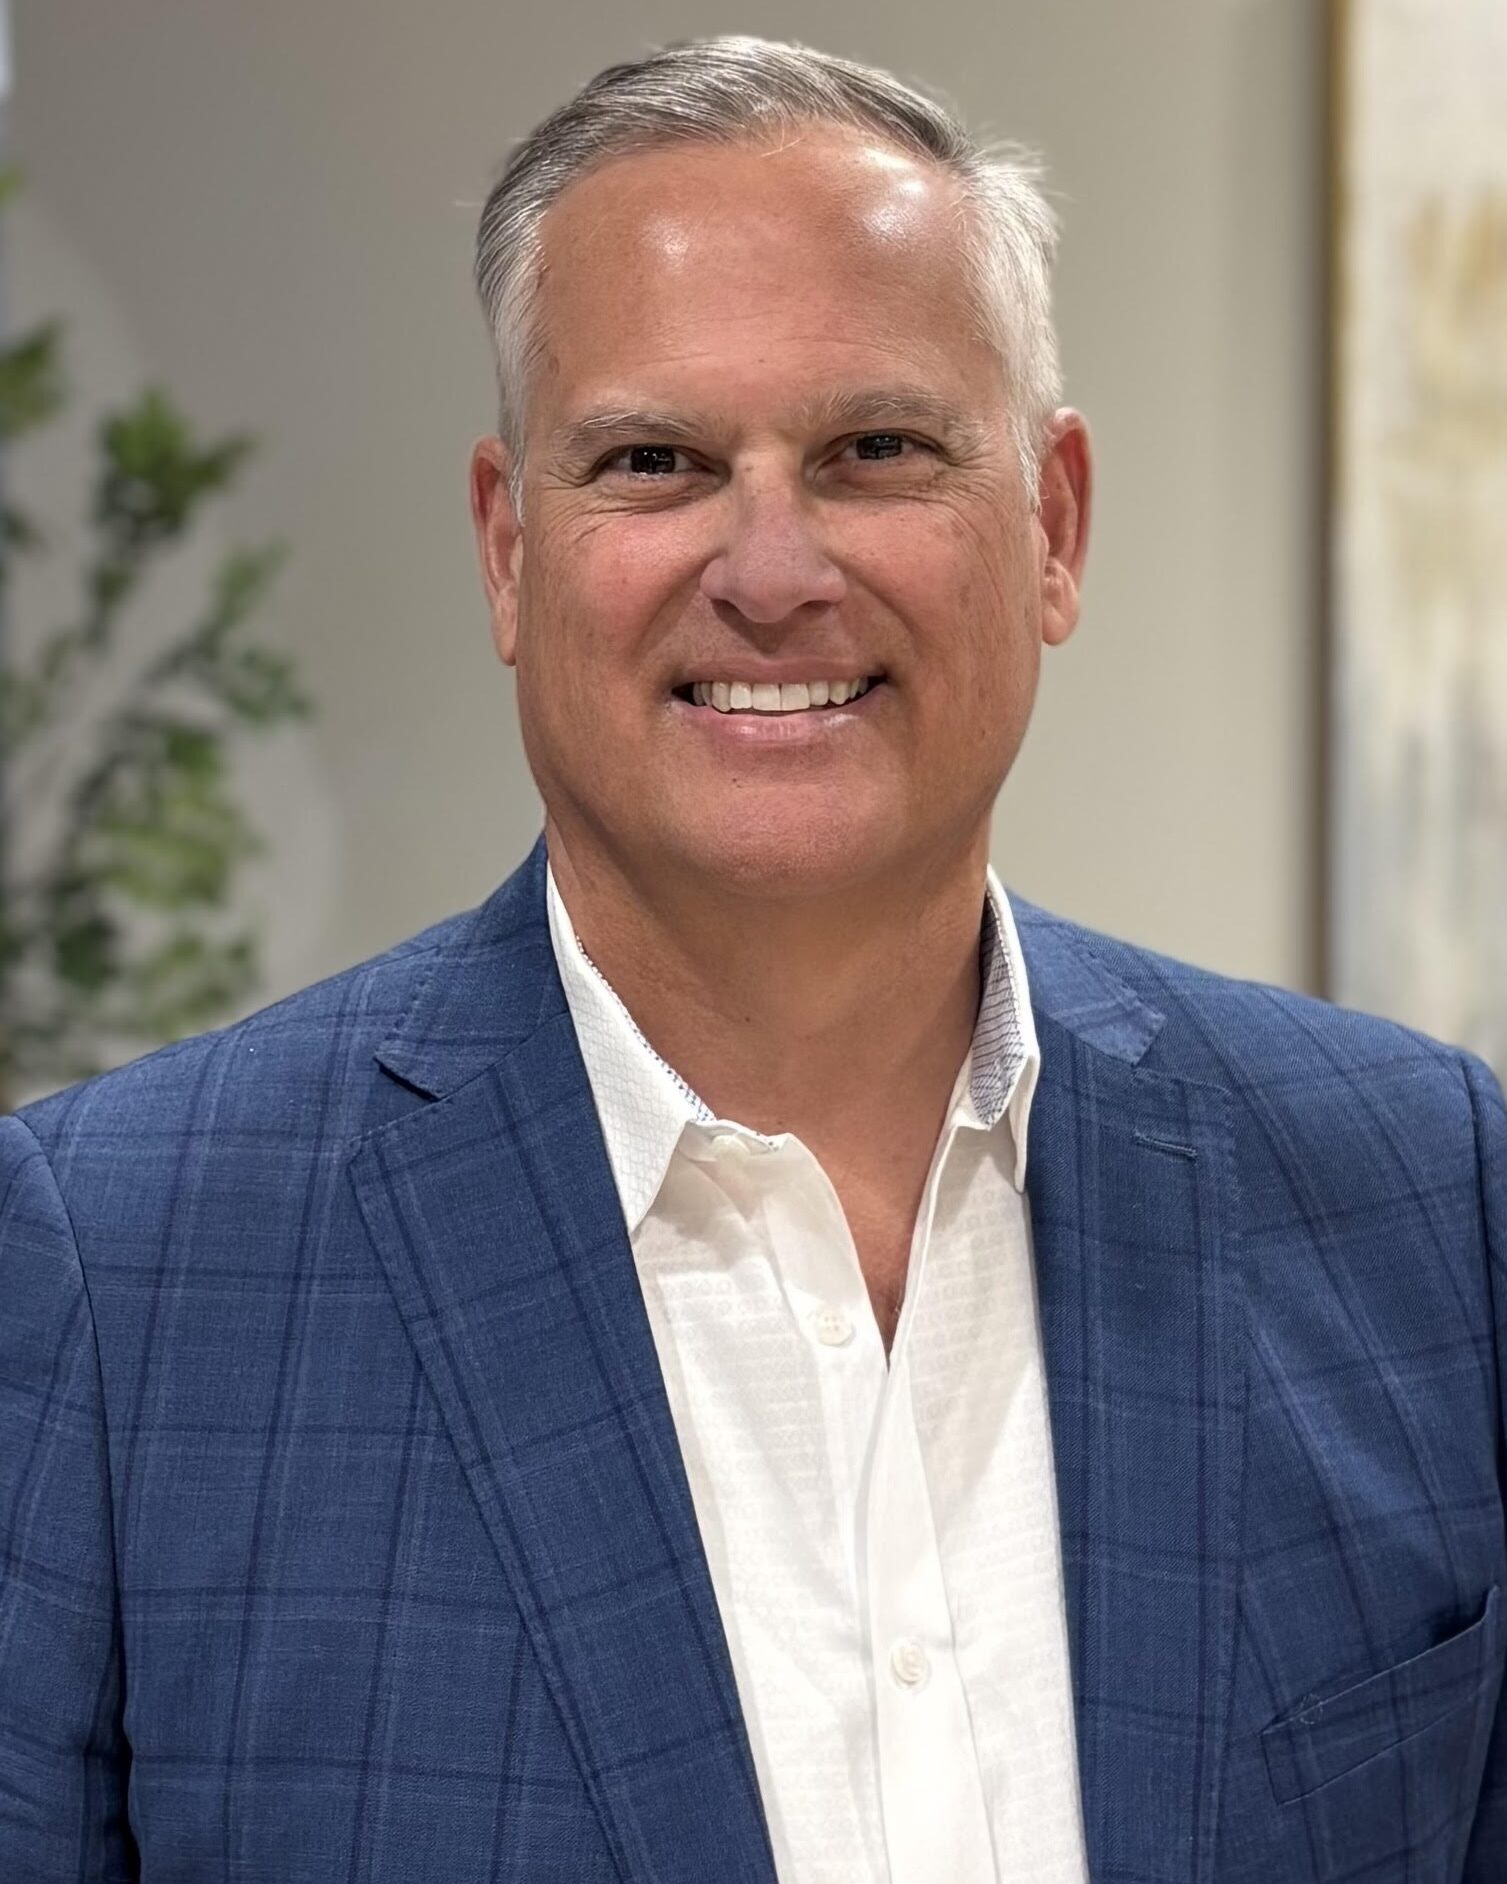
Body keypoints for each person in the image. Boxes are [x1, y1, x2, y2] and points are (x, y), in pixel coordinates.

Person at [2, 33, 1504, 1884]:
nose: (773, 565)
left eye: (877, 449)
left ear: (1055, 526)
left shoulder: (1427, 1195)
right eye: (656, 461)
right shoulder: (113, 1267)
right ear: (508, 550)